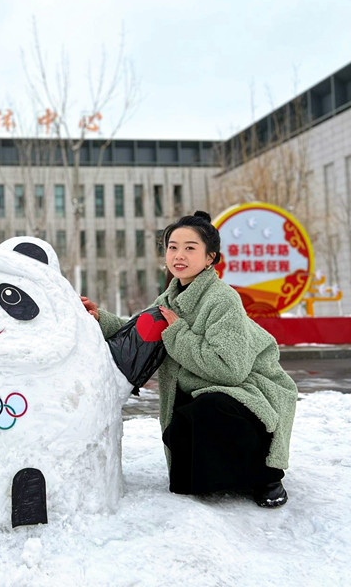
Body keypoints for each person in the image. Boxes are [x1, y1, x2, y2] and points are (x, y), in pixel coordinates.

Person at [83, 211, 297, 507]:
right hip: (196, 392)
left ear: (210, 258)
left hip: (246, 391)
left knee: (210, 409)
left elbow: (230, 370)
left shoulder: (222, 299)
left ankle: (265, 476)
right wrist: (98, 318)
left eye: (190, 247)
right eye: (172, 247)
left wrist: (179, 335)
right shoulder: (169, 299)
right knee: (185, 483)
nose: (178, 255)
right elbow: (141, 330)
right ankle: (225, 474)